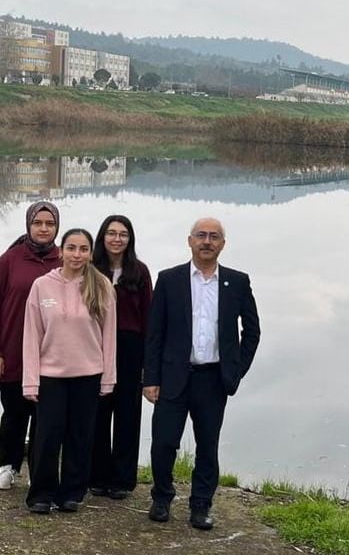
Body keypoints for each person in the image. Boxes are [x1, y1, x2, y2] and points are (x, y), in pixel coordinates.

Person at [143, 217, 261, 530]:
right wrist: (150, 378)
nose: (207, 241)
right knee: (163, 443)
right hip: (173, 376)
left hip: (213, 379)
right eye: (201, 235)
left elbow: (252, 331)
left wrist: (236, 370)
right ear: (190, 241)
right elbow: (154, 333)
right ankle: (162, 497)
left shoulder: (237, 282)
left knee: (207, 446)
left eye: (214, 236)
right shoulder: (169, 279)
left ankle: (201, 505)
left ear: (223, 244)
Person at [21, 228, 117, 514]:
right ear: (61, 251)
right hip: (50, 376)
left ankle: (72, 493)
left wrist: (108, 378)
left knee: (80, 437)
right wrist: (30, 381)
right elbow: (32, 335)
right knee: (47, 437)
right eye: (71, 248)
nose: (77, 254)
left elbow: (109, 336)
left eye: (83, 249)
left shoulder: (101, 286)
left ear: (90, 253)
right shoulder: (41, 286)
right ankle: (41, 494)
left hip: (88, 375)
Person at [0, 201, 61, 491]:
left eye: (49, 224)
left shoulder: (64, 260)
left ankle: (40, 472)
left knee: (45, 418)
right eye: (38, 223)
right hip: (13, 354)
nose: (43, 229)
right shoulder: (10, 260)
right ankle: (8, 467)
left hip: (51, 357)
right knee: (15, 414)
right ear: (28, 225)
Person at [89, 215, 153, 499]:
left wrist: (148, 362)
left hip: (130, 348)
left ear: (130, 239)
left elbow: (149, 316)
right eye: (112, 233)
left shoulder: (139, 271)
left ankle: (123, 479)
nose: (117, 239)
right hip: (96, 346)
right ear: (102, 237)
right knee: (98, 412)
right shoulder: (91, 269)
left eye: (123, 234)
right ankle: (97, 475)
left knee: (127, 414)